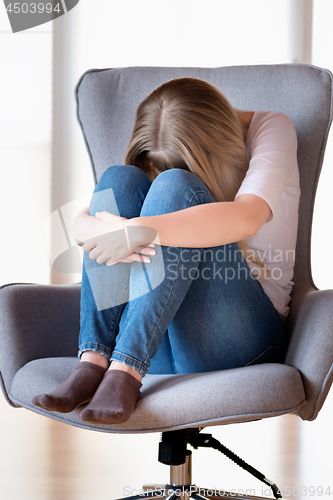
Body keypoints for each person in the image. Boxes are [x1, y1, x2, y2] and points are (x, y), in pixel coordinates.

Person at [33, 77, 300, 425]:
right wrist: (98, 228)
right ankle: (94, 361)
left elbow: (247, 217)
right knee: (120, 180)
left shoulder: (272, 127)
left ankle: (126, 369)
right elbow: (80, 220)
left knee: (176, 187)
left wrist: (138, 231)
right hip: (152, 343)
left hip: (242, 342)